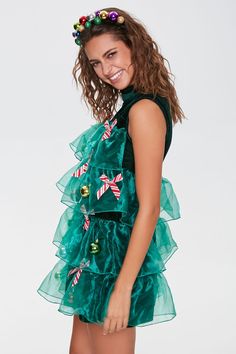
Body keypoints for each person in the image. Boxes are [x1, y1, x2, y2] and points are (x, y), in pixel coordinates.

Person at [37, 6, 185, 354]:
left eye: (111, 54)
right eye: (95, 63)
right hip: (95, 257)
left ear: (133, 46)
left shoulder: (144, 111)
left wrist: (122, 288)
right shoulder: (129, 107)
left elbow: (149, 208)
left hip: (118, 263)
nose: (106, 69)